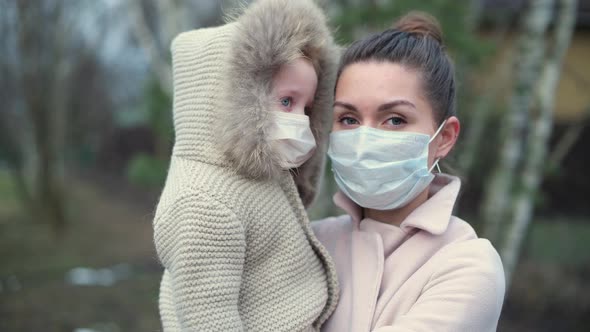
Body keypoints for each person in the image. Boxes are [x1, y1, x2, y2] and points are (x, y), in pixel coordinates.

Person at [312, 12, 506, 332]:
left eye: (395, 119)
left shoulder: (467, 265)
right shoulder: (313, 242)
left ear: (444, 138)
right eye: (348, 119)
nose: (364, 139)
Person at [152, 0, 339, 330]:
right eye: (285, 101)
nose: (299, 119)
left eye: (305, 107)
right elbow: (209, 321)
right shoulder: (203, 204)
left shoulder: (257, 174)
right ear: (234, 98)